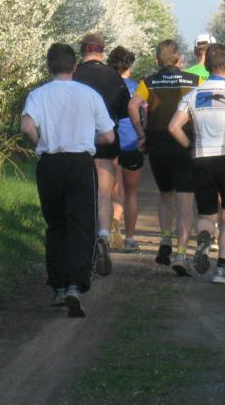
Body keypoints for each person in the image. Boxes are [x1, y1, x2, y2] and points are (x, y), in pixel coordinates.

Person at [20, 43, 115, 317]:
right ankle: (76, 284)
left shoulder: (38, 94)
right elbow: (109, 136)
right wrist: (88, 137)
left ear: (48, 67)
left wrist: (40, 142)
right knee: (82, 224)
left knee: (56, 225)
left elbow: (26, 126)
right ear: (74, 67)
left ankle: (59, 286)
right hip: (79, 164)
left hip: (50, 164)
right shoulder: (89, 95)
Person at [168, 43, 225, 284]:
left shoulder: (192, 95)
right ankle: (222, 270)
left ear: (206, 67)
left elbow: (173, 127)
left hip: (200, 159)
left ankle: (204, 241)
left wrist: (189, 145)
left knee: (206, 213)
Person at [128, 39, 201, 276]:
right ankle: (181, 253)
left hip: (157, 144)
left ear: (157, 60)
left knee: (165, 194)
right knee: (185, 200)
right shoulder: (195, 81)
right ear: (179, 59)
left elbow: (133, 106)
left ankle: (165, 239)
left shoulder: (148, 82)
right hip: (184, 143)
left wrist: (141, 133)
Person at [73, 33, 131, 273]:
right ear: (102, 51)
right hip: (107, 140)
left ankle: (83, 241)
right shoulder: (113, 76)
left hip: (78, 141)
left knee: (81, 194)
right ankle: (104, 236)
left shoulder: (74, 75)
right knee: (104, 193)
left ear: (82, 51)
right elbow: (125, 110)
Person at [184, 33, 225, 251]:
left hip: (200, 140)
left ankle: (209, 233)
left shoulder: (189, 74)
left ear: (196, 51)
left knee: (204, 195)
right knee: (224, 193)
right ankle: (221, 235)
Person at [107, 46, 144, 253]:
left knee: (112, 192)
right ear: (130, 65)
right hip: (132, 143)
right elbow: (146, 113)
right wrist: (144, 135)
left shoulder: (107, 86)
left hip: (111, 142)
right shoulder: (138, 88)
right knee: (131, 194)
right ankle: (129, 239)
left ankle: (112, 224)